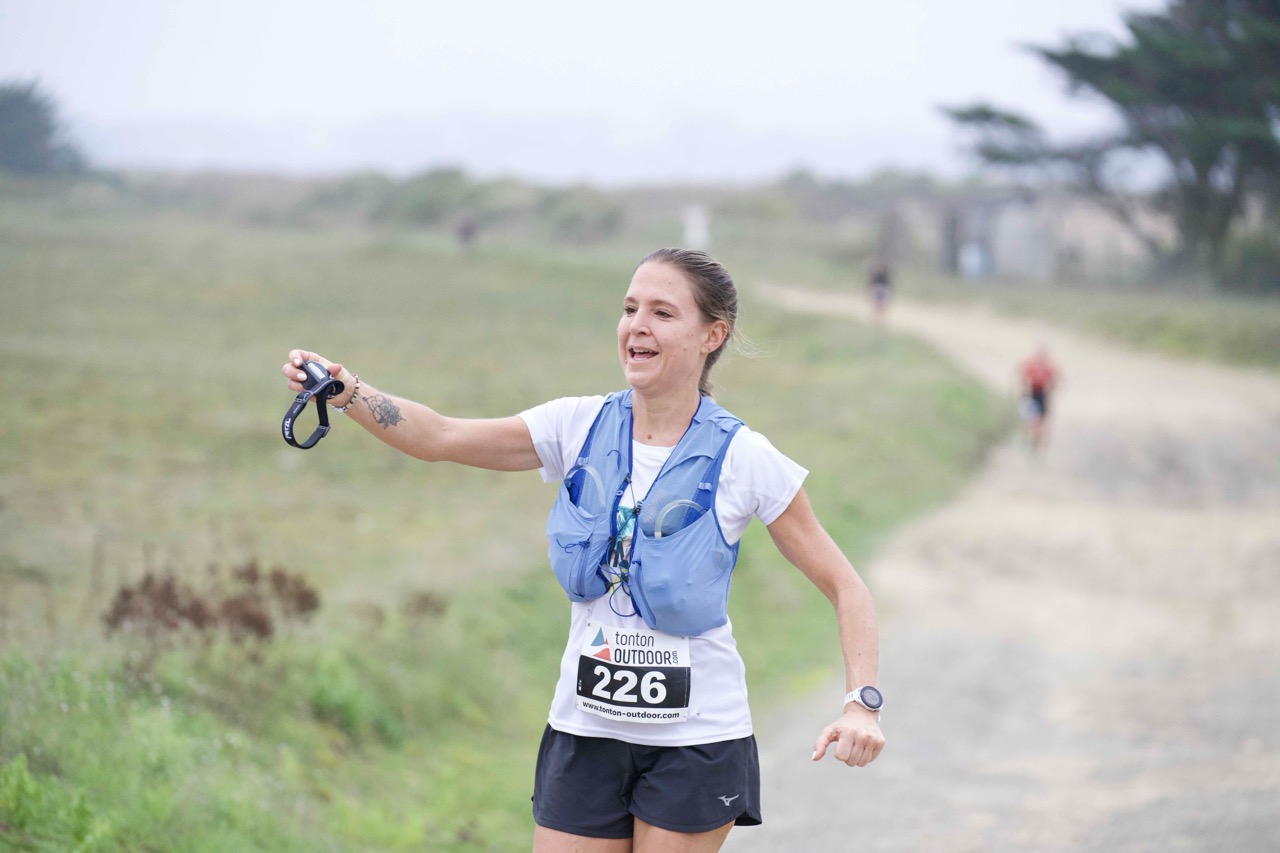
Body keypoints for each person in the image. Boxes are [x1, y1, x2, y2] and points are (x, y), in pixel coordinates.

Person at [280, 248, 884, 852]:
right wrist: (346, 390)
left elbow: (846, 587)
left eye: (662, 313)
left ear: (712, 335)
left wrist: (862, 704)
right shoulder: (575, 426)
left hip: (696, 740)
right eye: (629, 308)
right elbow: (438, 436)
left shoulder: (745, 458)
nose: (637, 326)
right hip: (584, 731)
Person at [1018, 343, 1060, 451]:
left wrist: (1050, 390)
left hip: (1041, 394)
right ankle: (1030, 440)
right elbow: (1024, 378)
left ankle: (1037, 442)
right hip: (1032, 393)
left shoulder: (1048, 366)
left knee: (1039, 420)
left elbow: (1054, 381)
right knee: (1030, 419)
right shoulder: (1032, 364)